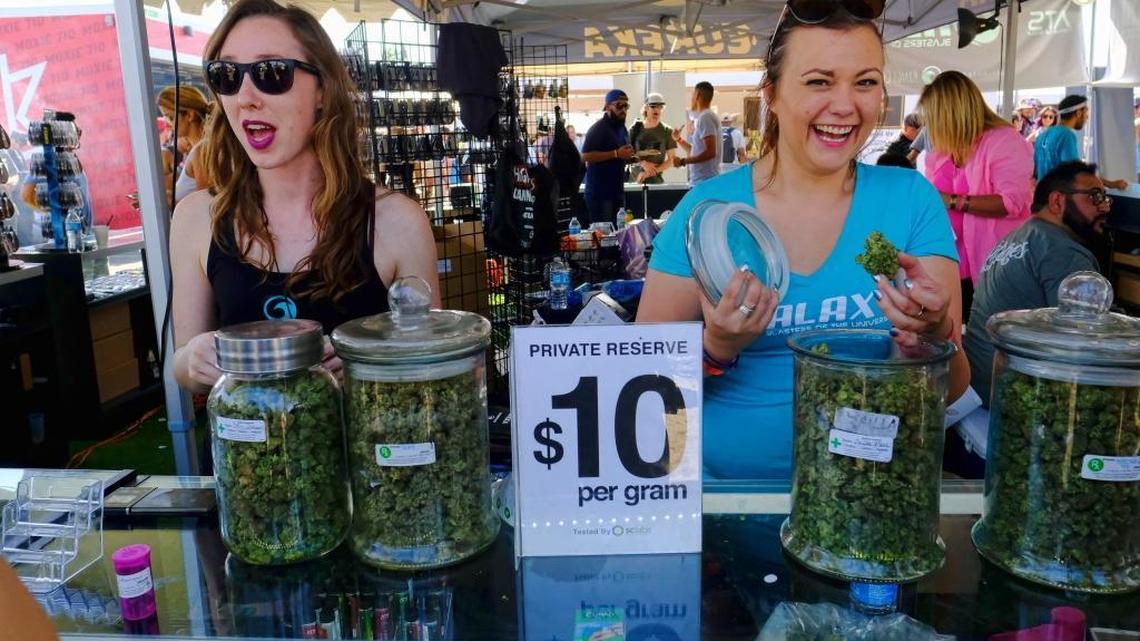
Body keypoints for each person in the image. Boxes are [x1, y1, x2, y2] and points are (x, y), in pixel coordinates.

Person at [637, 0, 969, 480]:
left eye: (865, 82)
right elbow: (643, 388)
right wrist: (717, 346)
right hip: (729, 507)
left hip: (873, 500)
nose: (844, 105)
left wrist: (933, 336)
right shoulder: (706, 213)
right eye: (818, 81)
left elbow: (953, 389)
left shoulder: (912, 200)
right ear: (771, 93)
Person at [170, 0, 439, 394]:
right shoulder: (197, 218)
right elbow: (182, 366)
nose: (245, 97)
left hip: (363, 452)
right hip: (246, 451)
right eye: (226, 75)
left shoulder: (395, 222)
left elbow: (432, 367)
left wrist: (365, 363)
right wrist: (194, 358)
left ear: (322, 91)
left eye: (271, 73)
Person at [953, 161, 1110, 477]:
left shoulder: (1014, 239)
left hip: (976, 389)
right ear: (1057, 201)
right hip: (1015, 403)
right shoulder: (1064, 252)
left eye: (1105, 197)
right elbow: (1088, 347)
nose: (1104, 206)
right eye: (1094, 196)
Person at [919, 70, 1034, 320]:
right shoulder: (944, 150)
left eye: (934, 117)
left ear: (952, 114)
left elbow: (1011, 202)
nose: (931, 126)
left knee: (985, 339)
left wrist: (951, 200)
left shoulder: (1004, 141)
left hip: (994, 266)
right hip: (951, 263)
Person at [1034, 94, 1129, 189]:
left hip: (1043, 196)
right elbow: (1076, 171)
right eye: (1086, 112)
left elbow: (1037, 171)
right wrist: (1110, 184)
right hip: (1059, 196)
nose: (1087, 118)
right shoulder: (1066, 135)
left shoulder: (1042, 136)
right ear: (1078, 113)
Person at [581, 89, 634, 224]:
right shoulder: (598, 129)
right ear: (607, 107)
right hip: (600, 194)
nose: (623, 110)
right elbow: (585, 156)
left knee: (618, 234)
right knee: (603, 238)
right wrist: (616, 153)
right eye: (619, 105)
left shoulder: (621, 128)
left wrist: (629, 156)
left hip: (617, 191)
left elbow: (621, 153)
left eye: (626, 106)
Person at [157, 85, 212, 203]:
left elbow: (206, 208)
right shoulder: (194, 150)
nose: (169, 124)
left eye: (171, 118)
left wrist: (165, 200)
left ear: (189, 115)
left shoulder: (201, 151)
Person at [672, 81, 721, 186]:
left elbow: (711, 152)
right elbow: (694, 151)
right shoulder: (705, 117)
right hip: (703, 181)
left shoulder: (705, 117)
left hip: (704, 182)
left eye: (693, 95)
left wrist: (683, 161)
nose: (691, 99)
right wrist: (679, 140)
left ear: (697, 95)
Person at [628, 93, 676, 184]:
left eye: (660, 107)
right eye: (653, 106)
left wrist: (649, 173)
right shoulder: (634, 129)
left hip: (655, 182)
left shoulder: (667, 131)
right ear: (646, 108)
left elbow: (671, 159)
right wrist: (642, 163)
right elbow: (626, 155)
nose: (657, 109)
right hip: (635, 181)